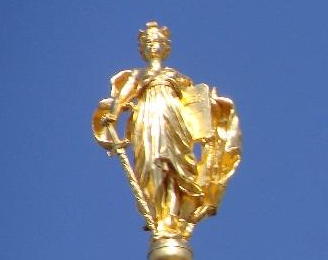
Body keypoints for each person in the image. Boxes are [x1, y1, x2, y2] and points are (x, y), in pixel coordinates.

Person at [93, 22, 240, 238]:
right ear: (143, 49)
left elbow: (194, 103)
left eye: (157, 42)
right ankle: (161, 214)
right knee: (153, 164)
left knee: (172, 166)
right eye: (149, 43)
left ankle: (171, 216)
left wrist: (212, 117)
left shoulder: (177, 76)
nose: (153, 46)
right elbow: (122, 97)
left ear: (166, 47)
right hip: (147, 118)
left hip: (173, 119)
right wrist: (113, 115)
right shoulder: (137, 75)